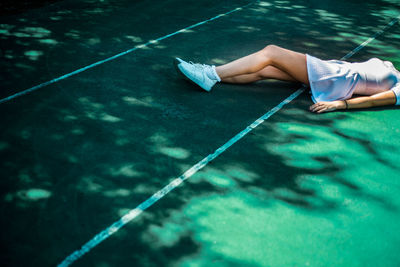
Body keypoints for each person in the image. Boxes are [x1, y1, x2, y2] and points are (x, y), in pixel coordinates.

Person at [174, 45, 400, 113]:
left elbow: (376, 100)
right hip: (334, 71)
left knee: (271, 53)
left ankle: (210, 74)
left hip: (336, 79)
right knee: (266, 70)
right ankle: (211, 76)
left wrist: (339, 104)